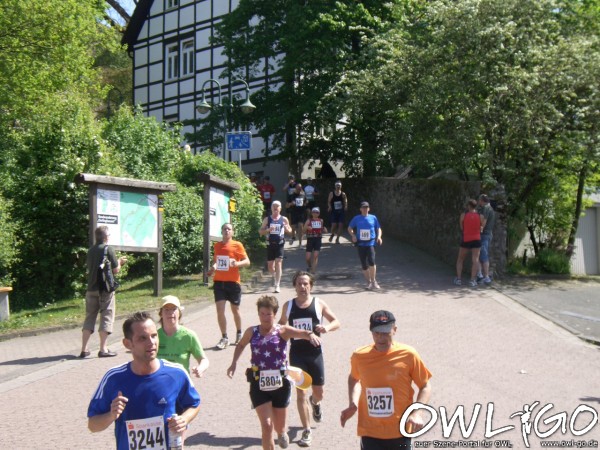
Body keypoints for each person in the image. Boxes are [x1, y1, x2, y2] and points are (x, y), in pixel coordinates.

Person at [87, 311, 201, 450]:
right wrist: (111, 415)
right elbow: (92, 425)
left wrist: (184, 419)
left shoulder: (176, 373)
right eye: (142, 338)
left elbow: (194, 404)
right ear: (127, 344)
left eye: (154, 336)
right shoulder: (114, 378)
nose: (151, 343)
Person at [227, 295, 322, 450]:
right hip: (258, 383)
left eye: (269, 314)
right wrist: (233, 363)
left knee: (279, 427)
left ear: (275, 314)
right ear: (258, 314)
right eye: (262, 314)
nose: (265, 318)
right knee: (266, 426)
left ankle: (282, 432)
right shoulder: (252, 331)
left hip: (281, 384)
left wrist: (310, 335)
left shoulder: (282, 331)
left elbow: (301, 333)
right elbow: (241, 345)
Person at [340, 310, 432, 450]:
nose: (380, 338)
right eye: (376, 333)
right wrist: (353, 403)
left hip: (400, 430)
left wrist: (417, 413)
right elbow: (354, 379)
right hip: (370, 431)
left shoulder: (408, 355)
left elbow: (425, 386)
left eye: (385, 333)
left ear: (394, 330)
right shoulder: (359, 356)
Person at [279, 271, 340, 447]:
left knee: (319, 392)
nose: (302, 287)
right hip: (297, 354)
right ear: (294, 286)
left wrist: (326, 328)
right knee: (301, 393)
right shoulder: (288, 305)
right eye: (299, 283)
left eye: (306, 283)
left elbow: (336, 321)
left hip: (315, 353)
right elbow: (281, 326)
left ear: (311, 286)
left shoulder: (318, 304)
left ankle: (315, 403)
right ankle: (306, 430)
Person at [80, 225, 127, 358]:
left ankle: (84, 349)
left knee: (89, 317)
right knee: (106, 316)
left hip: (91, 288)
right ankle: (103, 349)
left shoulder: (90, 251)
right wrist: (120, 262)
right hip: (105, 289)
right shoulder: (108, 249)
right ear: (106, 237)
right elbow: (115, 270)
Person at [207, 222, 251, 350]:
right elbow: (217, 262)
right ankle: (224, 337)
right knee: (220, 310)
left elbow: (247, 261)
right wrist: (212, 268)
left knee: (235, 309)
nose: (227, 231)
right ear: (221, 232)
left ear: (232, 232)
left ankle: (239, 333)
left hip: (233, 282)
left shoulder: (237, 245)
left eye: (229, 229)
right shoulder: (217, 246)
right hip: (219, 282)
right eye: (225, 229)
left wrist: (236, 264)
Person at [157, 295, 209, 377]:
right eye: (166, 309)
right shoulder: (154, 336)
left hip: (181, 382)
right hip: (159, 382)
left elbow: (203, 359)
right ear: (161, 314)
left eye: (174, 309)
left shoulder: (189, 335)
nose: (170, 312)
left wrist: (200, 369)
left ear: (179, 313)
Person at [348, 202, 383, 290]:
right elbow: (349, 228)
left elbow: (378, 228)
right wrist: (353, 235)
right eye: (363, 207)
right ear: (360, 209)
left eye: (366, 207)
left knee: (372, 261)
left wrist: (379, 237)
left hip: (371, 243)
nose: (365, 209)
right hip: (361, 244)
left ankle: (374, 281)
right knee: (364, 264)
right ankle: (369, 282)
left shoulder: (373, 217)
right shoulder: (356, 218)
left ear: (369, 209)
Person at [259, 201, 292, 293]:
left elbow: (290, 230)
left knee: (278, 262)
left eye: (277, 206)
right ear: (271, 208)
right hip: (270, 244)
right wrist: (268, 230)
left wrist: (287, 229)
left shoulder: (284, 219)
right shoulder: (267, 219)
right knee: (270, 266)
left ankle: (277, 285)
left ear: (280, 208)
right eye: (274, 206)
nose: (275, 208)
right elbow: (260, 231)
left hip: (280, 244)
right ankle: (274, 276)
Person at [454, 199, 486, 287]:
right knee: (475, 260)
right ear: (476, 206)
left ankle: (458, 279)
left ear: (469, 206)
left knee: (460, 259)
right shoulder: (481, 216)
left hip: (466, 239)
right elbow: (482, 228)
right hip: (476, 239)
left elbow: (461, 227)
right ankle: (472, 280)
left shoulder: (463, 215)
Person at [476, 194, 495, 285]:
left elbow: (483, 221)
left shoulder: (486, 208)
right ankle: (480, 274)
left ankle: (486, 277)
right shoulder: (489, 208)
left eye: (479, 200)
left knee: (483, 255)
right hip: (486, 234)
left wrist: (480, 229)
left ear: (482, 200)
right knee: (480, 255)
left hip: (484, 234)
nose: (478, 202)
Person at [303, 207, 327, 274]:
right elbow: (303, 230)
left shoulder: (321, 220)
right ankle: (310, 266)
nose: (315, 214)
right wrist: (307, 227)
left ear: (319, 213)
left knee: (315, 255)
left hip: (318, 239)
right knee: (307, 258)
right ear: (312, 213)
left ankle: (313, 271)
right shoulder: (308, 221)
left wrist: (325, 230)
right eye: (314, 212)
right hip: (310, 239)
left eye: (317, 212)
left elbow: (322, 229)